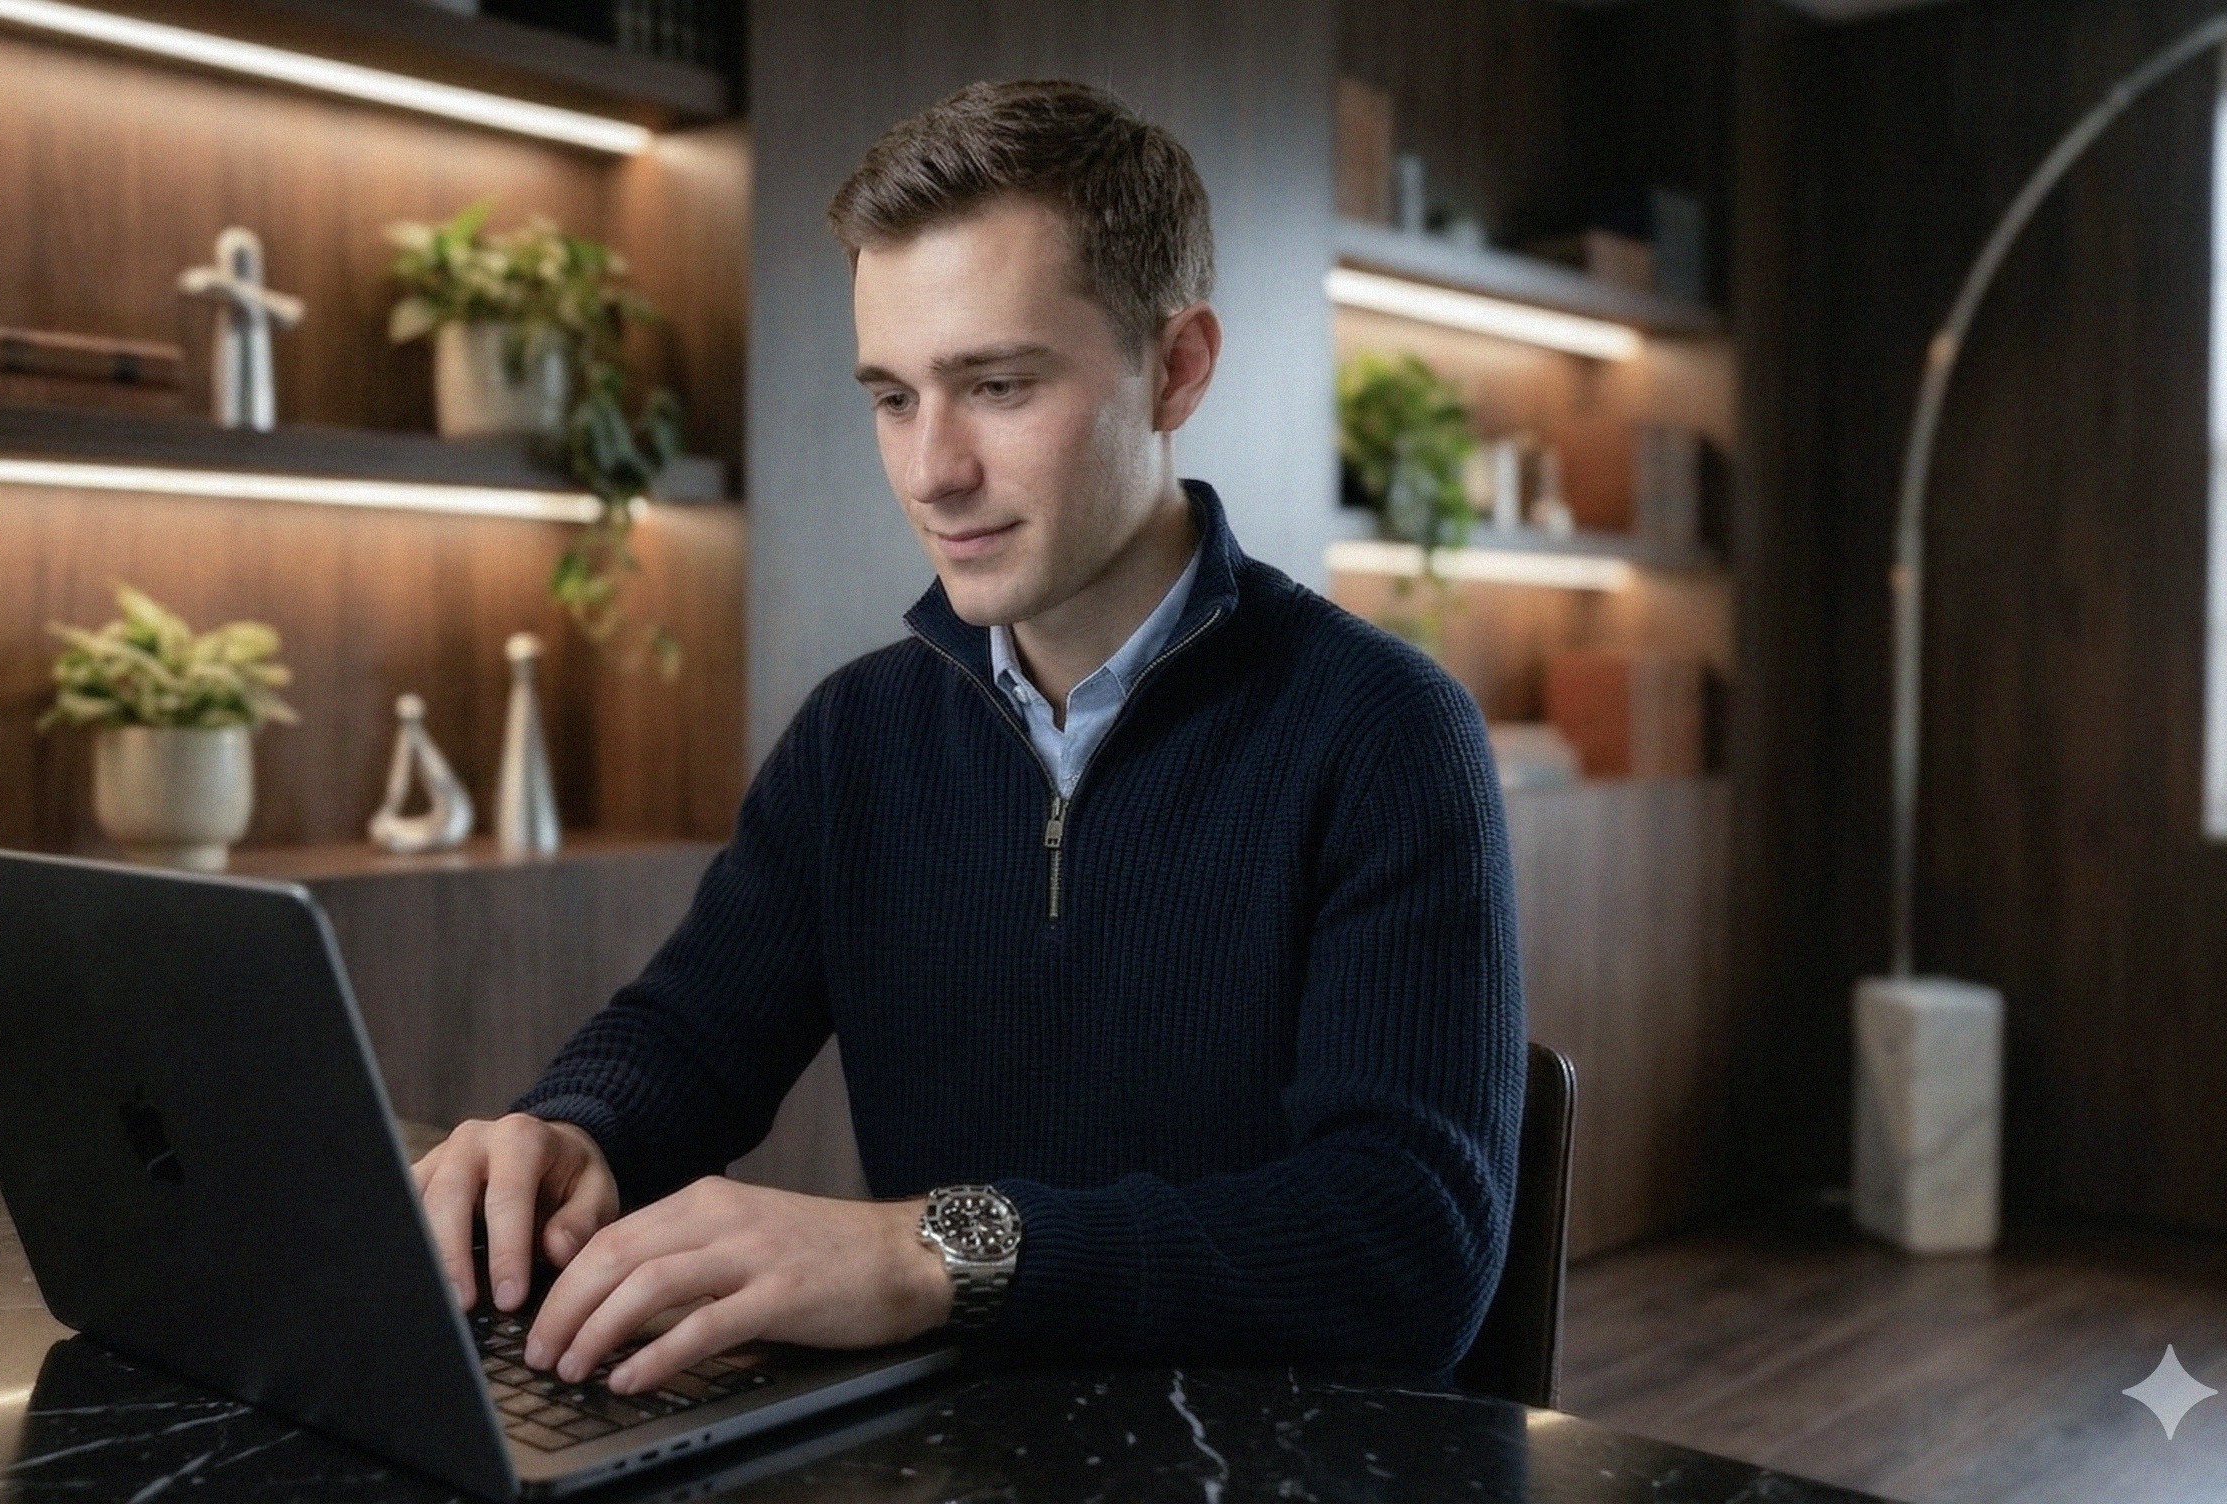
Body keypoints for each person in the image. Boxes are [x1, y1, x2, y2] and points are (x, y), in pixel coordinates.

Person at [412, 78, 1525, 1398]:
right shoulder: (860, 735)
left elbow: (1407, 1247)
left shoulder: (1382, 733)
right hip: (950, 1458)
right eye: (893, 397)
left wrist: (934, 1250)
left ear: (1178, 368)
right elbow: (691, 1034)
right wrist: (570, 1131)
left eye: (995, 386)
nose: (932, 469)